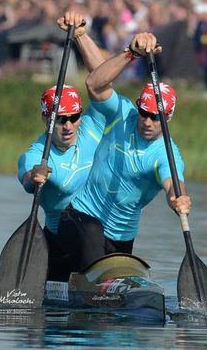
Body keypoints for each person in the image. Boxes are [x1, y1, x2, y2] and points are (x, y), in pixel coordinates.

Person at [57, 32, 192, 271]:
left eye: (154, 117)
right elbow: (94, 84)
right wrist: (131, 53)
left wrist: (178, 198)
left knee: (113, 284)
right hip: (80, 218)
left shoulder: (165, 153)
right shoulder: (124, 113)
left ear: (168, 118)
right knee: (93, 232)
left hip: (120, 238)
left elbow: (173, 183)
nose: (147, 121)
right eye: (144, 113)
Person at [17, 11, 106, 281]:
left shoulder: (91, 126)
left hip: (97, 240)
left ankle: (105, 280)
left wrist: (79, 35)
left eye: (73, 118)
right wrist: (35, 176)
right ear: (46, 119)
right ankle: (95, 283)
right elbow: (26, 176)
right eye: (60, 120)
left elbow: (103, 79)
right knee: (87, 227)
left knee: (97, 227)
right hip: (59, 246)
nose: (68, 126)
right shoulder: (38, 152)